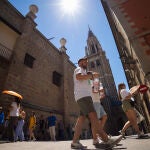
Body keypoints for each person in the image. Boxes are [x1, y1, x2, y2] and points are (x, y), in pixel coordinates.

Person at [71, 57, 122, 149]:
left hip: (82, 97)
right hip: (83, 96)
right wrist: (91, 76)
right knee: (94, 117)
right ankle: (106, 139)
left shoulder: (85, 72)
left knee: (81, 119)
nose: (85, 63)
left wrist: (93, 77)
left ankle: (74, 142)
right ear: (79, 63)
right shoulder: (79, 69)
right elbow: (79, 77)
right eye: (83, 62)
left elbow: (93, 81)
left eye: (86, 62)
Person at [90, 76, 108, 145]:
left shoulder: (97, 82)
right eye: (95, 76)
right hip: (94, 102)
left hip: (98, 102)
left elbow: (101, 93)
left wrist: (101, 95)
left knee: (104, 116)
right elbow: (94, 90)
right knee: (95, 121)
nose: (96, 77)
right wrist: (100, 90)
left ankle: (98, 134)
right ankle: (95, 139)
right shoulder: (91, 82)